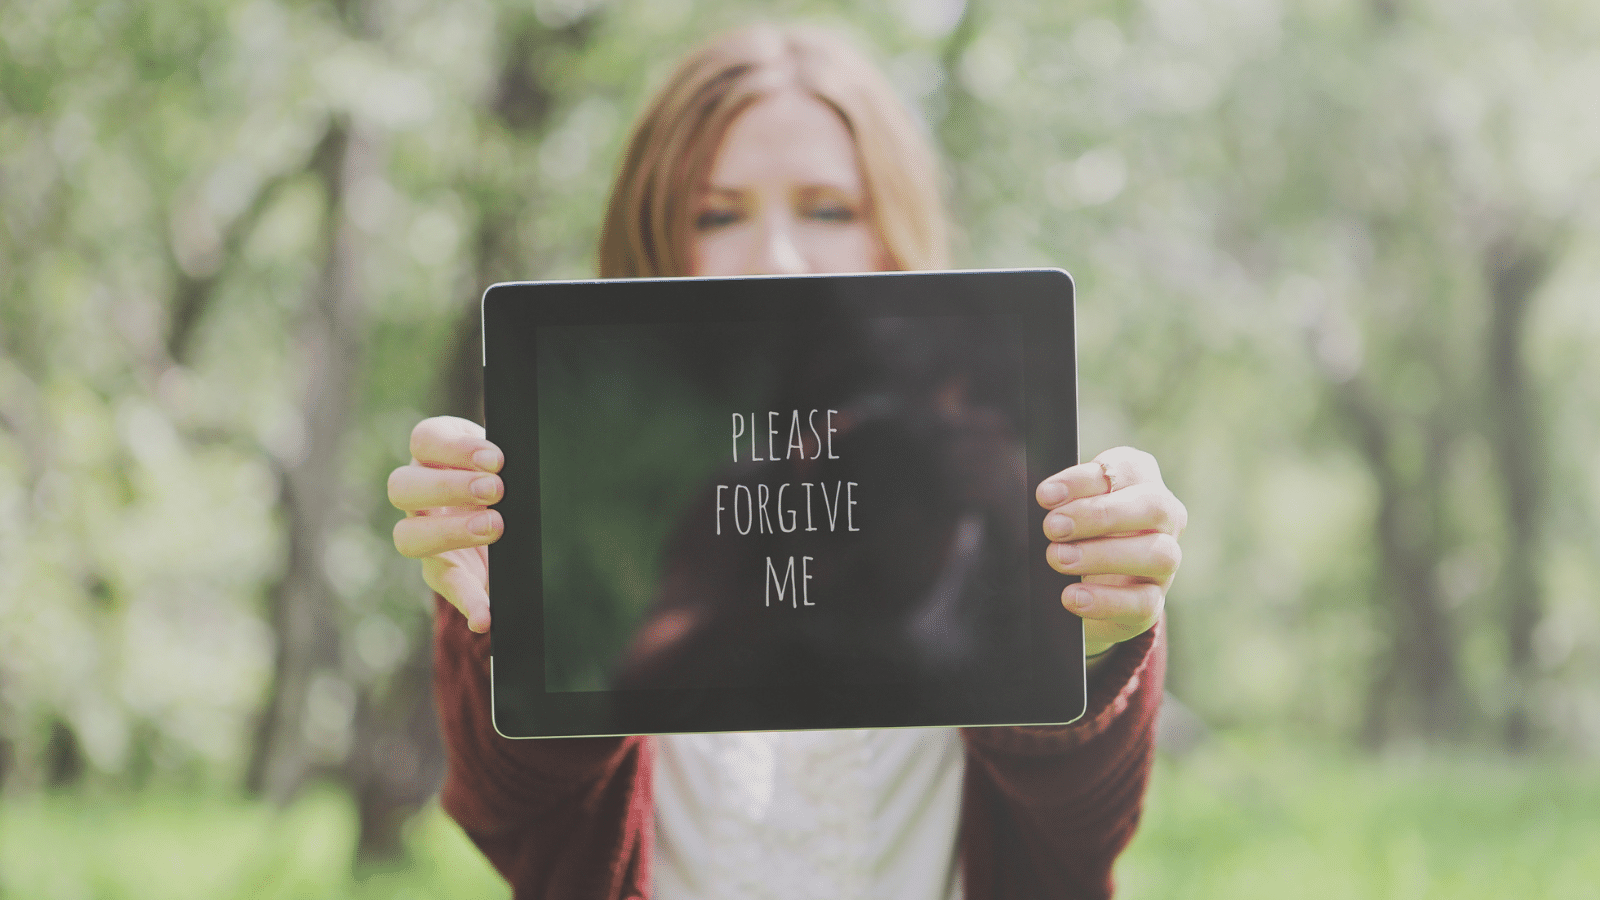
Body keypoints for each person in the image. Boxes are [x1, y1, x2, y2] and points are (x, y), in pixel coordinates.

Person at [388, 23, 1186, 900]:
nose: (775, 256)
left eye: (829, 208)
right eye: (716, 214)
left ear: (895, 232)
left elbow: (1080, 838)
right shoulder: (574, 506)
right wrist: (526, 638)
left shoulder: (1013, 489)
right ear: (651, 240)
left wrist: (1088, 636)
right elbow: (519, 823)